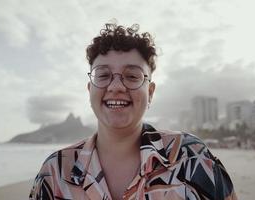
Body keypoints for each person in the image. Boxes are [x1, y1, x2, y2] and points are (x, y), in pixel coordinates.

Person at [29, 22, 237, 200]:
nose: (116, 86)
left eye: (132, 76)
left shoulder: (191, 156)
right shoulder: (56, 172)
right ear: (89, 89)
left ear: (151, 92)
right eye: (103, 75)